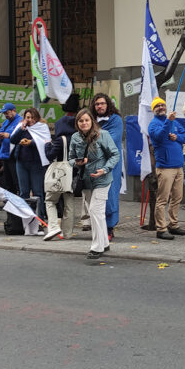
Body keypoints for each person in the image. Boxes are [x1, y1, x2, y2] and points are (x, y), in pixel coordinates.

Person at [69, 108, 121, 259]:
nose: (84, 123)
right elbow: (70, 158)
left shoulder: (102, 135)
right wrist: (77, 162)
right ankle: (104, 242)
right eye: (81, 121)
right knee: (97, 213)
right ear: (77, 123)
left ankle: (97, 247)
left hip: (102, 179)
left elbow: (115, 154)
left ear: (92, 121)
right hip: (86, 180)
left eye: (86, 120)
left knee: (94, 211)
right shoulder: (75, 138)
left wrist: (105, 169)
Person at [147, 97, 185, 240]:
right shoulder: (153, 124)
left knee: (177, 198)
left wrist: (176, 137)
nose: (161, 107)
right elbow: (159, 137)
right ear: (153, 110)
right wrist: (169, 121)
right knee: (162, 199)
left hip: (178, 166)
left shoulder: (175, 122)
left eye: (162, 105)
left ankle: (173, 225)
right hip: (165, 167)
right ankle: (161, 228)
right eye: (157, 106)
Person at [44, 95, 80, 240]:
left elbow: (49, 155)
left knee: (50, 200)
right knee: (69, 203)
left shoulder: (60, 140)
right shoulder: (78, 139)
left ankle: (53, 227)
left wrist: (47, 145)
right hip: (73, 173)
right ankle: (68, 233)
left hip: (59, 173)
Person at [92, 93, 124, 239]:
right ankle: (98, 226)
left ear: (108, 104)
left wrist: (93, 136)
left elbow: (112, 138)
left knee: (110, 194)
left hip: (111, 164)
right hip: (94, 163)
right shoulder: (91, 120)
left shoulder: (116, 119)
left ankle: (109, 227)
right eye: (97, 104)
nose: (100, 106)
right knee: (96, 196)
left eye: (102, 103)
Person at [9, 107, 50, 219]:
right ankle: (25, 217)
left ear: (37, 118)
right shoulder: (21, 126)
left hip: (36, 163)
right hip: (21, 162)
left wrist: (31, 143)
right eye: (28, 117)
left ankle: (39, 217)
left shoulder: (42, 127)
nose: (30, 120)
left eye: (32, 117)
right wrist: (21, 129)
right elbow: (13, 139)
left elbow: (46, 142)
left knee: (37, 191)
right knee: (23, 191)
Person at [0, 102, 22, 194]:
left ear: (13, 111)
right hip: (5, 155)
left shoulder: (20, 121)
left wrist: (9, 135)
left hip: (14, 155)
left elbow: (22, 136)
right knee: (8, 182)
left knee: (16, 181)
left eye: (7, 113)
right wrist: (0, 136)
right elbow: (1, 134)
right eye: (4, 113)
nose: (5, 115)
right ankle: (11, 202)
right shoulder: (5, 122)